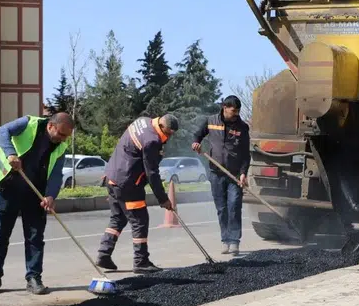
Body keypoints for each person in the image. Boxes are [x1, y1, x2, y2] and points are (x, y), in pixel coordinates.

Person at [0, 112, 74, 295]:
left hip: (35, 193)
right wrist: (11, 154)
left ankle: (33, 278)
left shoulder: (61, 146)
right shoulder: (28, 123)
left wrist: (50, 196)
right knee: (0, 235)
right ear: (50, 126)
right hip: (9, 187)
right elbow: (2, 132)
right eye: (61, 134)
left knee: (35, 238)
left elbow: (56, 174)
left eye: (67, 136)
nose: (63, 139)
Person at [96, 114, 178, 273]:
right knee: (140, 220)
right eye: (168, 133)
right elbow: (152, 173)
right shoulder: (152, 141)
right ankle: (141, 261)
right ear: (161, 126)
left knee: (118, 218)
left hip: (112, 177)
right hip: (128, 184)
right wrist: (163, 199)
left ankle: (104, 254)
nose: (168, 137)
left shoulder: (142, 121)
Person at [192, 95, 251, 255]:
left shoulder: (242, 127)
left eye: (238, 111)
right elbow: (197, 135)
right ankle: (225, 240)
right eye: (233, 111)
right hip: (215, 173)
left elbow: (246, 154)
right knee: (222, 209)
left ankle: (234, 241)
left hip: (234, 175)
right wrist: (196, 143)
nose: (236, 114)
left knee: (234, 206)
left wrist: (244, 173)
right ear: (224, 108)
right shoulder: (211, 121)